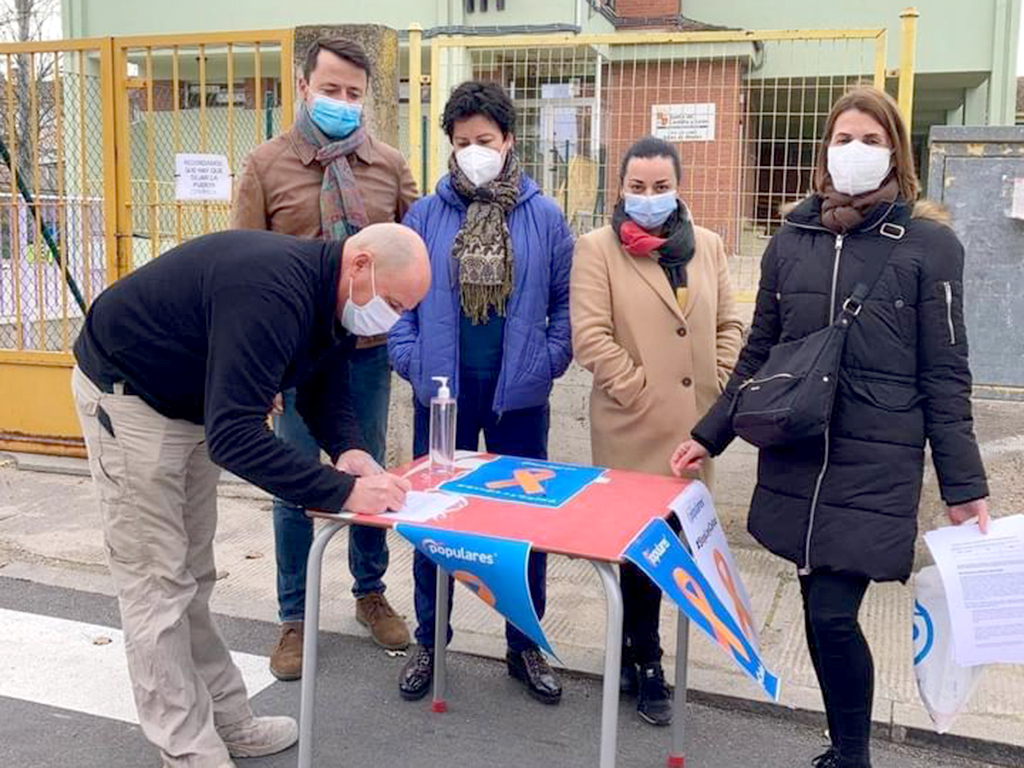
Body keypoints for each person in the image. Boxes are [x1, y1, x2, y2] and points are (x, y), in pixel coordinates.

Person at [671, 87, 990, 768]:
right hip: (798, 455)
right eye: (844, 138)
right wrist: (709, 433)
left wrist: (964, 483)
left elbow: (946, 373)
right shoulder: (793, 240)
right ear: (824, 151)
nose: (856, 152)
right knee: (820, 608)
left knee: (833, 614)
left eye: (872, 141)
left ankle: (852, 756)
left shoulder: (930, 246)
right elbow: (759, 352)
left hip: (876, 460)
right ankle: (845, 748)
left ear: (896, 154)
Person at [71, 224, 429, 768]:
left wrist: (349, 449)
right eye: (395, 303)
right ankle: (187, 747)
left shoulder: (327, 293)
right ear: (360, 266)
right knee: (157, 585)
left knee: (193, 575)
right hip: (128, 398)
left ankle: (229, 722)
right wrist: (347, 492)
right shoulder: (271, 293)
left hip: (187, 404)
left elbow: (322, 381)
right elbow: (235, 437)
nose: (394, 318)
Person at [232, 37, 419, 676]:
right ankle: (294, 615)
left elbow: (410, 255)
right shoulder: (265, 165)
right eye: (330, 89)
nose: (342, 103)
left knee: (368, 472)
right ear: (304, 85)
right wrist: (260, 375)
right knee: (291, 481)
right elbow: (241, 266)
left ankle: (370, 591)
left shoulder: (389, 165)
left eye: (354, 94)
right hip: (287, 359)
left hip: (364, 352)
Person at [388, 80, 574, 706]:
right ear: (450, 144)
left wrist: (547, 363)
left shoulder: (543, 216)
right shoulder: (424, 215)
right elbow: (399, 301)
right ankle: (428, 639)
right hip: (440, 396)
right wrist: (411, 363)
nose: (474, 151)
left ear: (509, 141)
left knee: (521, 524)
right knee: (431, 521)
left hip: (517, 395)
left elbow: (566, 302)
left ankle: (525, 645)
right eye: (463, 141)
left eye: (485, 140)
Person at [570, 136, 744, 726]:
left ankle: (629, 650)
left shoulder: (710, 247)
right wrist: (639, 388)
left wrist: (717, 380)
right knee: (641, 550)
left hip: (695, 428)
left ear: (678, 187)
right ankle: (647, 659)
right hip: (631, 426)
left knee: (675, 546)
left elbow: (729, 321)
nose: (648, 198)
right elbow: (589, 336)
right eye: (637, 187)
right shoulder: (597, 249)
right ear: (621, 188)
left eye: (661, 186)